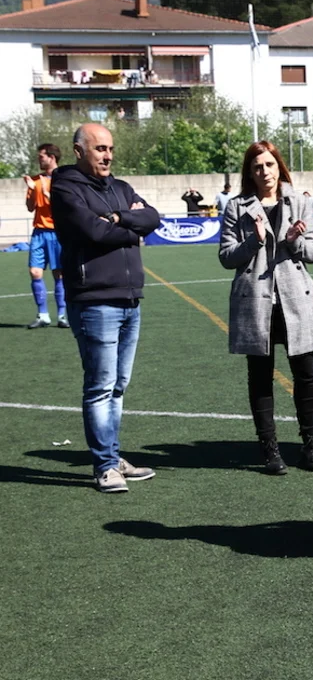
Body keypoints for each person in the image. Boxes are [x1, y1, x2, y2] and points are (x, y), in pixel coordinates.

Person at [50, 123, 160, 492]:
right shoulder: (65, 188)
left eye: (110, 149)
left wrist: (117, 218)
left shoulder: (121, 187)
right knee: (100, 387)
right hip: (94, 301)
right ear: (79, 151)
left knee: (118, 387)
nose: (108, 155)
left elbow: (153, 218)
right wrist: (131, 226)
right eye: (100, 149)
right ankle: (104, 466)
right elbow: (93, 232)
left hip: (130, 299)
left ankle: (112, 458)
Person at [219, 141, 313, 475]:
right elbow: (226, 257)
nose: (264, 172)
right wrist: (254, 240)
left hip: (295, 298)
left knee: (305, 374)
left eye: (269, 164)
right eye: (257, 167)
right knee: (260, 376)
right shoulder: (237, 207)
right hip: (256, 301)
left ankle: (311, 446)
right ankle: (270, 450)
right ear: (249, 173)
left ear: (279, 166)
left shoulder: (300, 202)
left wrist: (294, 240)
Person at [23, 143, 67, 329]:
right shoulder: (35, 180)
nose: (39, 160)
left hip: (58, 232)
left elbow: (65, 206)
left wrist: (47, 194)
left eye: (41, 156)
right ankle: (43, 315)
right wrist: (33, 189)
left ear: (52, 157)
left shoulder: (64, 179)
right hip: (39, 232)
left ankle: (62, 315)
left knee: (59, 274)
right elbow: (30, 207)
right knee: (35, 272)